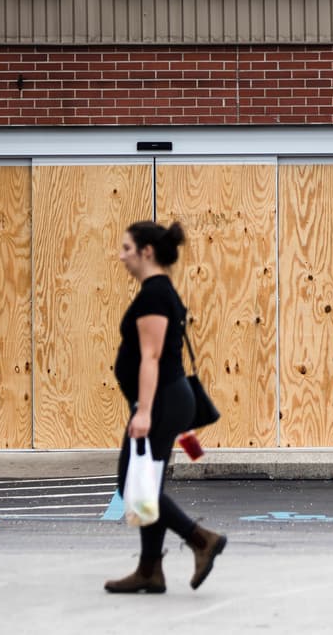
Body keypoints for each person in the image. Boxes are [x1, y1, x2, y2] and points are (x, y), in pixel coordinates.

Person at [105, 220, 227, 595]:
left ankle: (200, 539)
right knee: (144, 482)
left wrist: (143, 411)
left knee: (132, 482)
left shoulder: (154, 295)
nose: (121, 256)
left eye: (127, 248)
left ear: (147, 252)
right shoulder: (158, 291)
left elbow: (152, 356)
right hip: (166, 399)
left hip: (160, 400)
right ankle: (149, 570)